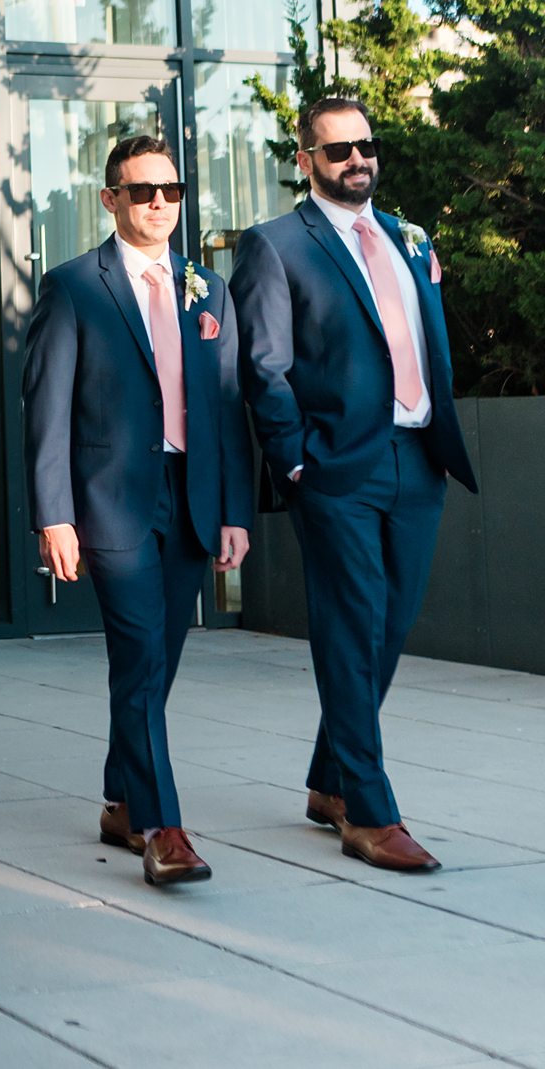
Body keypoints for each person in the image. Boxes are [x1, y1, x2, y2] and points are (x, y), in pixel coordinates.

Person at [230, 95, 476, 872]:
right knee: (351, 625)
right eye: (337, 150)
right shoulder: (276, 246)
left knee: (390, 625)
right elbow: (262, 365)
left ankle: (330, 776)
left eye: (364, 145)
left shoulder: (409, 234)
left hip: (419, 457)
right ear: (306, 160)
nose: (355, 160)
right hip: (336, 467)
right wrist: (295, 458)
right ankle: (368, 812)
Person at [22, 135, 252, 886]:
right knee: (139, 657)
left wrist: (233, 509)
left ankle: (122, 797)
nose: (160, 202)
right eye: (143, 189)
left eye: (172, 190)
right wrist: (54, 513)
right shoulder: (73, 286)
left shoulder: (209, 290)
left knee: (162, 656)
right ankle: (163, 827)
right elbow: (46, 408)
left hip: (191, 495)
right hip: (109, 502)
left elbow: (224, 407)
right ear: (110, 199)